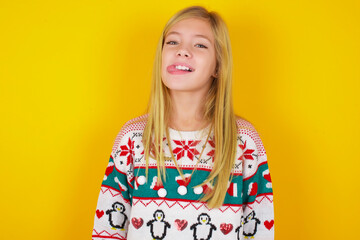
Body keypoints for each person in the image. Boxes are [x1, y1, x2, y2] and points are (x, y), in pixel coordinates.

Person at [92, 5, 274, 240]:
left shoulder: (243, 141)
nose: (182, 51)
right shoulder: (133, 137)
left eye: (200, 45)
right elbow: (108, 230)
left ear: (218, 66)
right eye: (173, 42)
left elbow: (258, 231)